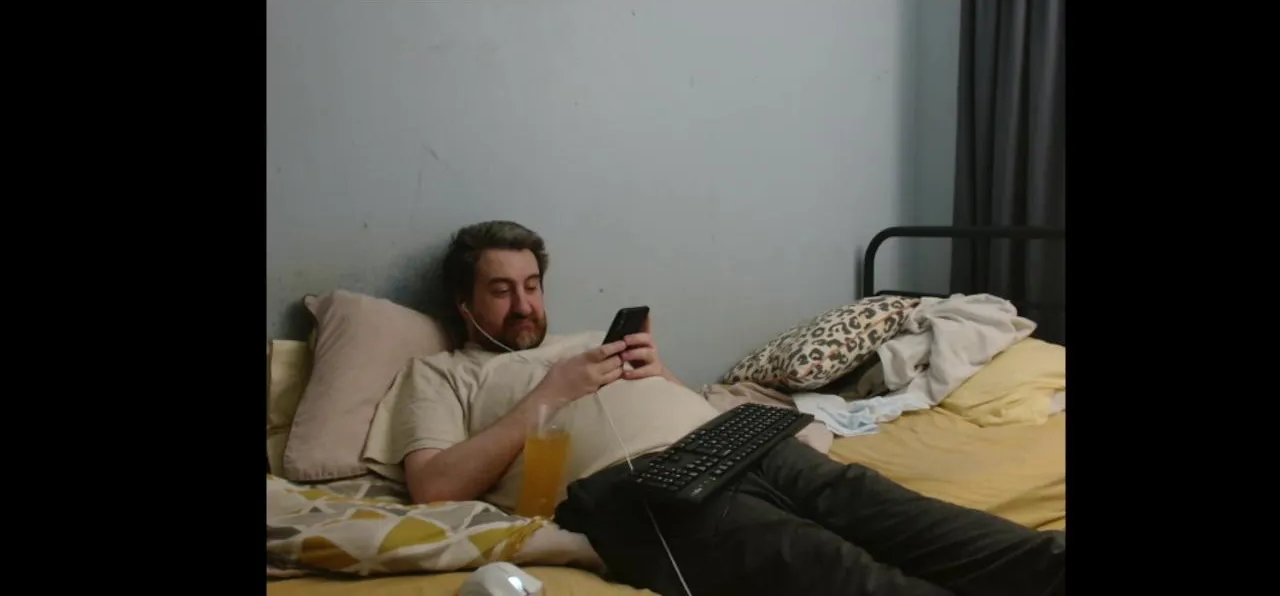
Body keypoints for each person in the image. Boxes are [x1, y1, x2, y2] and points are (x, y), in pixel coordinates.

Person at [365, 220, 1065, 596]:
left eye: (532, 285)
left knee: (943, 532)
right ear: (464, 305)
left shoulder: (585, 342)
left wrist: (661, 375)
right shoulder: (441, 374)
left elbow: (677, 403)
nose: (524, 305)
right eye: (501, 290)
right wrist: (553, 393)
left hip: (743, 443)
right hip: (645, 488)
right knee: (850, 576)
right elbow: (434, 486)